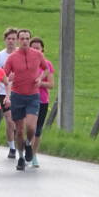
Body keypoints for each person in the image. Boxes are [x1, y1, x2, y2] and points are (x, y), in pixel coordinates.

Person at [3, 29, 49, 171]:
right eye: (22, 38)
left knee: (31, 127)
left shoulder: (37, 55)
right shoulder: (12, 57)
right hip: (17, 96)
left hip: (33, 96)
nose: (25, 41)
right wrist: (8, 78)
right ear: (18, 40)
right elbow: (3, 75)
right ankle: (21, 157)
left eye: (27, 38)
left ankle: (28, 144)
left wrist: (40, 78)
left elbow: (46, 69)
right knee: (19, 130)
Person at [0, 27, 18, 159]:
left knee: (16, 122)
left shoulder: (20, 55)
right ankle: (12, 147)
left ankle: (18, 143)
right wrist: (6, 78)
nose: (11, 41)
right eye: (9, 39)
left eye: (13, 39)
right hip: (2, 92)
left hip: (18, 92)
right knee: (9, 120)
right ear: (5, 40)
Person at [30, 37, 54, 168]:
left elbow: (51, 84)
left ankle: (33, 154)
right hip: (27, 99)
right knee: (29, 128)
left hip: (42, 100)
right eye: (33, 48)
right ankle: (25, 151)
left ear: (42, 50)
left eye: (37, 48)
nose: (35, 50)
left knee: (38, 129)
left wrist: (40, 83)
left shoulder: (47, 65)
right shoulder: (26, 63)